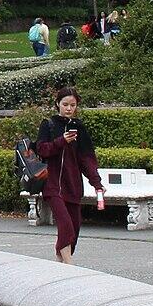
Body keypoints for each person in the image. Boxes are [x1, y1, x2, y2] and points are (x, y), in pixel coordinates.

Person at [36, 88, 106, 263]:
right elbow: (42, 149)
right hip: (52, 185)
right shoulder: (48, 124)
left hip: (73, 185)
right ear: (57, 104)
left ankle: (60, 264)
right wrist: (61, 141)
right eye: (65, 104)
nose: (68, 108)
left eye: (72, 105)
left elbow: (86, 159)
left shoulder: (79, 128)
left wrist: (97, 183)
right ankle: (69, 266)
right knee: (66, 226)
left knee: (74, 228)